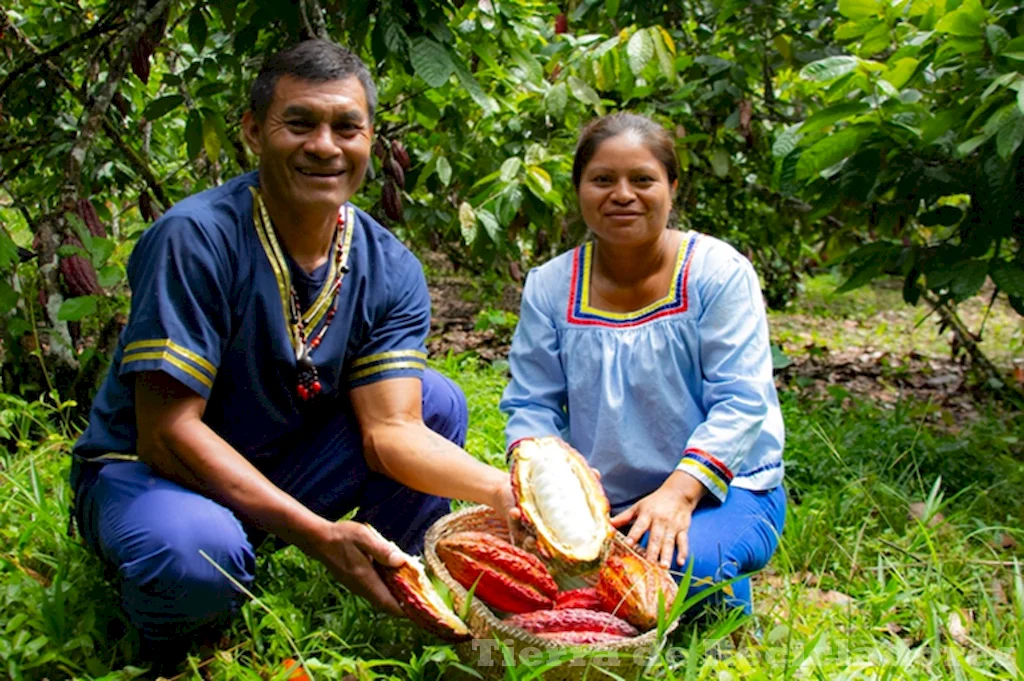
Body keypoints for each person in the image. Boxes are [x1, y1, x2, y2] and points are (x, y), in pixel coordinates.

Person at [68, 39, 515, 665]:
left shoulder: (388, 264)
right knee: (194, 556)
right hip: (150, 472)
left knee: (434, 400)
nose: (325, 146)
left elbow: (392, 431)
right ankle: (173, 644)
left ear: (370, 139)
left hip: (277, 465)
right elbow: (166, 434)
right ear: (253, 131)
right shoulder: (194, 238)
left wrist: (510, 493)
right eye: (299, 123)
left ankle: (397, 582)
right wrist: (315, 534)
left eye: (346, 127)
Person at [500, 112, 786, 618]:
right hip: (604, 502)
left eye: (643, 179)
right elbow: (530, 404)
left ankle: (718, 582)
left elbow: (742, 404)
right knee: (513, 576)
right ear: (580, 189)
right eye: (603, 180)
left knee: (670, 574)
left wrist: (677, 494)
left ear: (672, 188)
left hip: (721, 491)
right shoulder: (550, 286)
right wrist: (544, 487)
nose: (623, 194)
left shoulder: (717, 274)